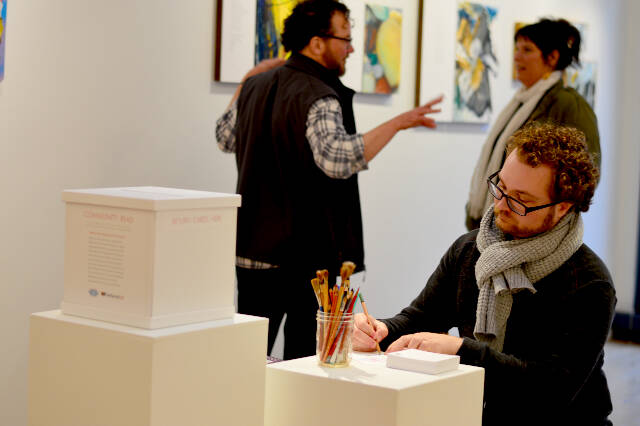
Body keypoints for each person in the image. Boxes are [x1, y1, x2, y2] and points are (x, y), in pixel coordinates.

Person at [215, 0, 442, 360]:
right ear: (317, 43)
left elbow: (224, 137)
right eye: (345, 39)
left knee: (245, 358)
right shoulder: (319, 93)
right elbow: (338, 159)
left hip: (251, 251)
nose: (351, 48)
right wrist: (399, 122)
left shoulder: (256, 86)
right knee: (305, 365)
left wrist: (247, 80)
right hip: (303, 257)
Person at [353, 123, 616, 426]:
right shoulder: (470, 250)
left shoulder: (589, 282)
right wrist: (379, 330)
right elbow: (420, 318)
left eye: (521, 200)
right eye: (500, 186)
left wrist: (461, 350)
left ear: (562, 208)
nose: (500, 205)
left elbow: (551, 388)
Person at [466, 18, 600, 231]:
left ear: (552, 57)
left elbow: (583, 179)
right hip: (498, 222)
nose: (517, 57)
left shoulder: (568, 104)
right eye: (517, 49)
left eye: (527, 50)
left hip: (530, 230)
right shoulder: (522, 102)